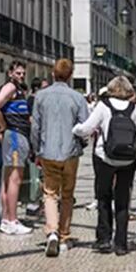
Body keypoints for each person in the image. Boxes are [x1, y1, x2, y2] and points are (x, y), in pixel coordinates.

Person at [72, 76, 136, 255]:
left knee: (104, 197)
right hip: (127, 160)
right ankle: (121, 243)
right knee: (123, 200)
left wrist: (74, 129)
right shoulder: (134, 109)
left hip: (105, 157)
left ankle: (104, 239)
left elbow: (86, 129)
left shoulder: (103, 106)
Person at [31, 59, 89, 257]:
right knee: (67, 194)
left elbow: (35, 127)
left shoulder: (41, 96)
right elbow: (84, 127)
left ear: (53, 74)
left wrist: (37, 150)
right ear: (70, 75)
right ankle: (64, 235)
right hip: (70, 153)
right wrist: (81, 144)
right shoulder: (77, 98)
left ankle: (52, 232)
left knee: (49, 193)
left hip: (48, 151)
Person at [0, 61, 33, 235]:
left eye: (23, 73)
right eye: (18, 73)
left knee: (8, 179)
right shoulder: (10, 88)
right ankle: (12, 220)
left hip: (17, 135)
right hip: (15, 135)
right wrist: (4, 125)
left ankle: (6, 218)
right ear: (10, 73)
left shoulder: (19, 90)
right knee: (14, 178)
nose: (21, 76)